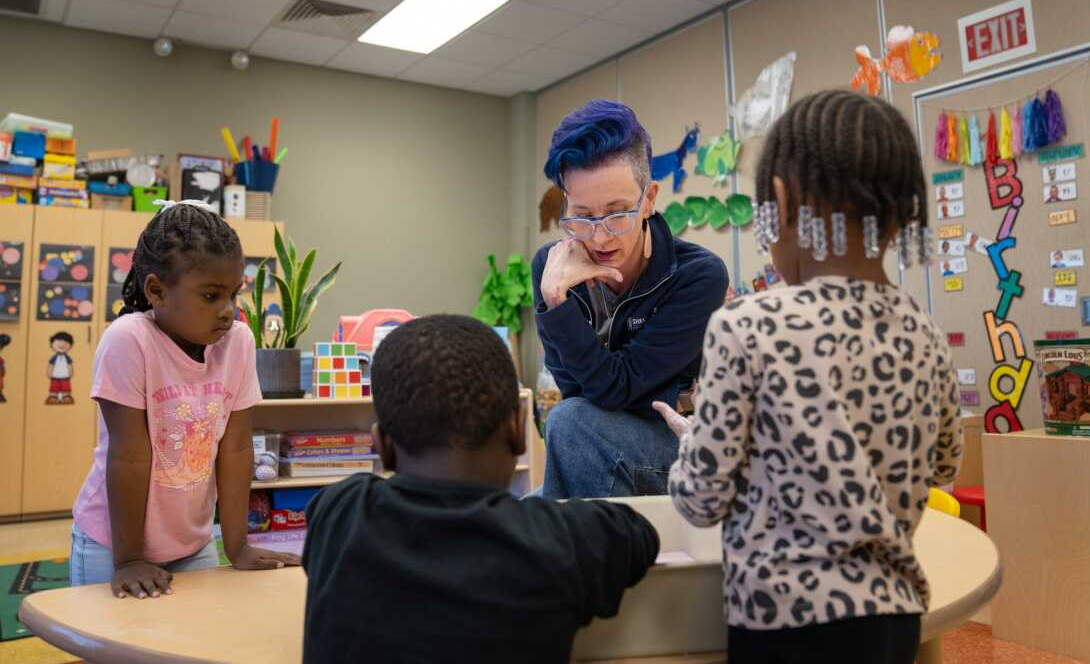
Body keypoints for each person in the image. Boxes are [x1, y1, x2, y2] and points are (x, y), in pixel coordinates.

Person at [655, 91, 964, 664]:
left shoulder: (745, 325)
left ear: (777, 201)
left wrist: (691, 439)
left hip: (781, 619)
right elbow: (945, 465)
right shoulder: (924, 333)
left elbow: (701, 500)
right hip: (894, 619)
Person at [302, 315, 659, 664]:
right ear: (520, 430)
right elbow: (639, 535)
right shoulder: (563, 538)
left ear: (382, 445)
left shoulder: (340, 510)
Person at [70, 200, 299, 598]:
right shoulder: (129, 340)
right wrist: (129, 560)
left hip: (192, 544)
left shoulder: (239, 342)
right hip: (113, 545)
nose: (228, 311)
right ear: (157, 290)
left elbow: (236, 448)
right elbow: (128, 455)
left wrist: (236, 545)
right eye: (211, 296)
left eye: (233, 295)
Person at [532, 100, 728, 499]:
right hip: (593, 436)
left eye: (618, 214)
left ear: (650, 198)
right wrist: (556, 298)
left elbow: (615, 391)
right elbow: (576, 389)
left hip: (684, 446)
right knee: (523, 512)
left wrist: (560, 310)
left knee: (568, 423)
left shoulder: (698, 275)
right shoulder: (551, 269)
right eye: (582, 215)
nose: (600, 237)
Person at [46, 331, 75, 404]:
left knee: (66, 389)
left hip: (65, 378)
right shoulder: (54, 358)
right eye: (59, 342)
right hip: (54, 377)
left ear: (70, 345)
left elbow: (70, 366)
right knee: (54, 389)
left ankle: (66, 397)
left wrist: (70, 374)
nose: (62, 344)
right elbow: (51, 366)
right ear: (52, 344)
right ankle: (53, 397)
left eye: (65, 342)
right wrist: (49, 374)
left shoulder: (67, 358)